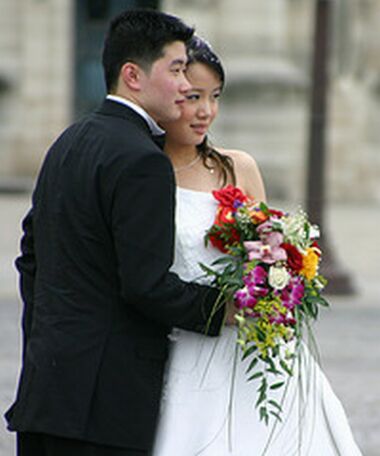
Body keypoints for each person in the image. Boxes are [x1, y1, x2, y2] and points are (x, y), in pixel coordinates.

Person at [4, 11, 232, 456]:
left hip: (47, 392)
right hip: (106, 408)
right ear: (133, 75)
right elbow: (146, 286)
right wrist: (230, 309)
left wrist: (54, 339)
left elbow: (30, 257)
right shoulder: (143, 160)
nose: (187, 85)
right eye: (177, 69)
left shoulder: (69, 140)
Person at [152, 36, 363, 455]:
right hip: (186, 341)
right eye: (193, 97)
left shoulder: (238, 166)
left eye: (215, 97)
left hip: (257, 343)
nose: (205, 111)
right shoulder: (145, 172)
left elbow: (268, 246)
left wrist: (277, 280)